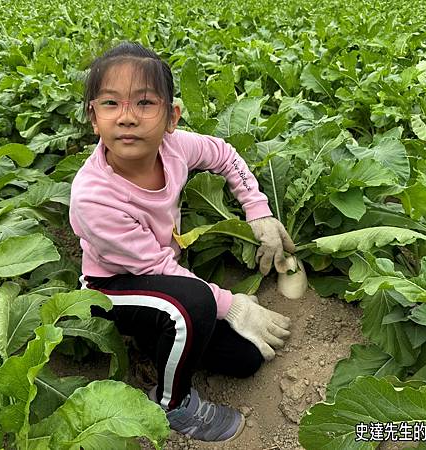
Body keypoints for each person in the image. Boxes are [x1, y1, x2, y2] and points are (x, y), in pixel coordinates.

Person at [69, 41, 296, 443]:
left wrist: (258, 211)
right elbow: (153, 268)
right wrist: (232, 304)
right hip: (113, 289)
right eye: (110, 104)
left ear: (171, 116)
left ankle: (155, 344)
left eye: (144, 103)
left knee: (245, 360)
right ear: (93, 117)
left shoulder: (175, 147)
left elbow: (225, 155)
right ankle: (172, 405)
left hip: (160, 278)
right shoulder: (92, 196)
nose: (126, 118)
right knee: (193, 305)